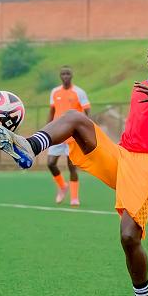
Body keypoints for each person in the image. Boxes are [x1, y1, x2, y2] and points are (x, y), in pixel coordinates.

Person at [0, 28, 148, 296]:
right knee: (75, 119)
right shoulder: (142, 86)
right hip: (122, 156)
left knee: (129, 236)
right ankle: (29, 147)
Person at [48, 66, 90, 206]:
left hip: (72, 136)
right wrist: (47, 130)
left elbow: (87, 111)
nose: (65, 76)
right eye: (63, 74)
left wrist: (83, 130)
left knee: (71, 166)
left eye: (68, 74)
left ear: (71, 76)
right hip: (57, 133)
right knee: (50, 163)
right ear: (60, 76)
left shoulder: (79, 92)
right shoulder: (55, 92)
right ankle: (62, 186)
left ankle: (74, 197)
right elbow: (52, 111)